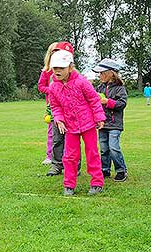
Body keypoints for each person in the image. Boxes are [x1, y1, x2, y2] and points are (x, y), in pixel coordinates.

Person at [48, 49, 106, 196]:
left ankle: (97, 182)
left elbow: (94, 99)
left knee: (92, 152)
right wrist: (59, 119)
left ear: (70, 67)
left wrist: (99, 117)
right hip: (70, 126)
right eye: (55, 68)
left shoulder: (82, 82)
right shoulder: (53, 87)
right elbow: (55, 106)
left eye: (61, 68)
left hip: (88, 124)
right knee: (69, 156)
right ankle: (69, 185)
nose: (58, 71)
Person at [38, 41, 76, 176]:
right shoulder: (50, 73)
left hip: (72, 112)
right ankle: (56, 165)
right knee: (57, 138)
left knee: (73, 139)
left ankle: (74, 166)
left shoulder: (76, 77)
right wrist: (52, 92)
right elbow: (42, 87)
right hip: (55, 110)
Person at [93, 58, 128, 182]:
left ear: (110, 73)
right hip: (102, 123)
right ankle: (105, 169)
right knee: (104, 149)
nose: (99, 75)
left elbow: (122, 103)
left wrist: (108, 102)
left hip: (114, 124)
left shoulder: (120, 88)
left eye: (102, 73)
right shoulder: (99, 88)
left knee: (113, 147)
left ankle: (121, 170)